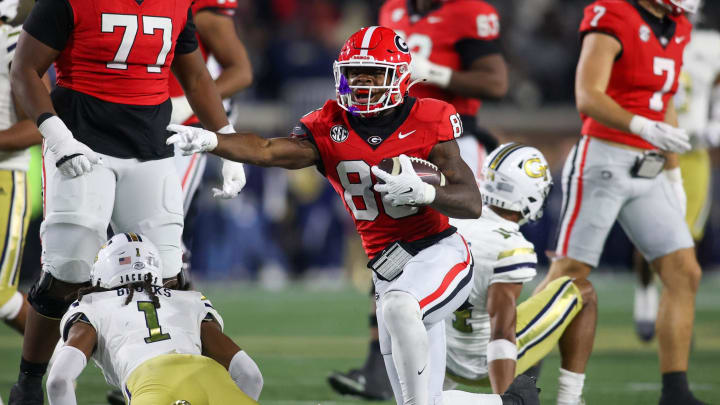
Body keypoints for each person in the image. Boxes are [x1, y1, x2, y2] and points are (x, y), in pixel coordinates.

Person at [168, 25, 539, 405]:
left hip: (440, 252)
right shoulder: (327, 125)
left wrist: (427, 192)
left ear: (399, 76)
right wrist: (212, 140)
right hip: (387, 267)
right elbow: (265, 149)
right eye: (353, 72)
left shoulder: (430, 117)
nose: (362, 81)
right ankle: (513, 403)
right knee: (424, 399)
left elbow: (471, 202)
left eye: (374, 72)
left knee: (399, 307)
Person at [8, 0, 245, 401]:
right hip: (82, 142)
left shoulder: (177, 4)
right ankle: (30, 381)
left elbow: (196, 76)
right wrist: (56, 135)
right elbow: (24, 69)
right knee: (67, 269)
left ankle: (157, 375)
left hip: (150, 145)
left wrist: (226, 140)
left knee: (167, 277)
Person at [329, 1, 509, 398]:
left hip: (444, 141)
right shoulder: (393, 9)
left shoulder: (468, 11)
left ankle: (491, 350)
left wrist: (440, 73)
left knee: (473, 249)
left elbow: (496, 84)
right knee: (388, 251)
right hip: (393, 133)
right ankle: (380, 367)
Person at [533, 0, 706, 404]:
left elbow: (663, 98)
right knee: (569, 273)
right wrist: (642, 125)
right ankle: (520, 377)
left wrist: (673, 170)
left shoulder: (677, 24)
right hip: (604, 158)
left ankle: (675, 391)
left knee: (684, 271)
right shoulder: (612, 13)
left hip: (650, 162)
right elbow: (587, 96)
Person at [444, 143, 596, 405]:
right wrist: (505, 398)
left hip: (441, 354)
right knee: (584, 291)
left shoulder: (451, 221)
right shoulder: (512, 246)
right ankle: (570, 399)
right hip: (483, 363)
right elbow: (501, 332)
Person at [46, 233, 263, 405]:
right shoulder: (189, 300)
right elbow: (251, 376)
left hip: (152, 384)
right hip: (213, 381)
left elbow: (58, 381)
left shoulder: (93, 306)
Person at [633, 18, 720, 341]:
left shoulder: (710, 42)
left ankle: (679, 312)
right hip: (654, 144)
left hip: (692, 151)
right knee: (646, 232)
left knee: (688, 238)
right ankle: (645, 297)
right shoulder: (646, 31)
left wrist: (714, 121)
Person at [166, 0, 253, 286]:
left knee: (165, 239)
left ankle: (176, 324)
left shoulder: (201, 7)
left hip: (183, 129)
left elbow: (240, 70)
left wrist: (183, 105)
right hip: (127, 120)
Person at [0, 0, 43, 336]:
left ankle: (61, 355)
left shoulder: (14, 40)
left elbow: (38, 124)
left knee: (0, 295)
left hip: (5, 177)